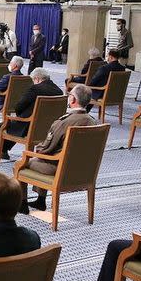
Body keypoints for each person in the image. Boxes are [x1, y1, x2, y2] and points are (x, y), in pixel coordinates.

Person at [18, 84, 98, 213]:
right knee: (41, 159)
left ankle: (22, 204)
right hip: (83, 172)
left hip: (60, 170)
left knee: (22, 163)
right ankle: (40, 201)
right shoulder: (94, 123)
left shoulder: (64, 122)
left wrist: (37, 149)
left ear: (72, 100)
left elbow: (46, 149)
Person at [0, 67, 63, 160]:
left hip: (31, 127)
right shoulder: (59, 91)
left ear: (37, 79)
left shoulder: (35, 89)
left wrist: (18, 115)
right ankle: (4, 150)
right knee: (15, 126)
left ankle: (1, 151)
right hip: (50, 128)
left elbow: (19, 106)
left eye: (33, 80)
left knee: (2, 125)